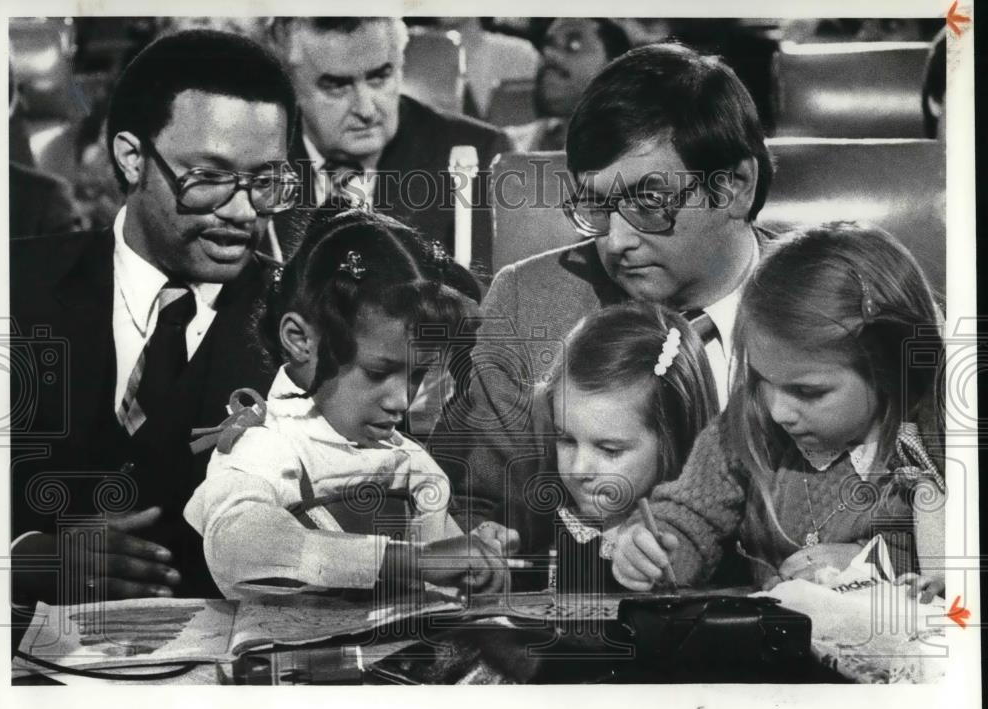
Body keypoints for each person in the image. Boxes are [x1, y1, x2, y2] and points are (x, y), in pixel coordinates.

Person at [431, 43, 774, 536]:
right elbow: (472, 505)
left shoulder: (840, 306)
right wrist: (481, 541)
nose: (616, 242)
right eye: (596, 207)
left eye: (649, 201)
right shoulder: (525, 305)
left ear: (735, 186)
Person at [9, 30, 300, 608]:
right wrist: (20, 557)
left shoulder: (308, 318)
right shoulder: (8, 287)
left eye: (265, 181)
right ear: (131, 157)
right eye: (209, 178)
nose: (243, 211)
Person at [184, 211, 513, 598]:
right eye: (378, 372)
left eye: (417, 374)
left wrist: (477, 565)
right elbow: (242, 545)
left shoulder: (409, 459)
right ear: (299, 339)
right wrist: (412, 559)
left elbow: (438, 587)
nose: (402, 401)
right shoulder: (264, 446)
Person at [610, 223, 946, 599]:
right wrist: (654, 551)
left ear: (890, 369)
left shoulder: (923, 451)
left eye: (807, 391)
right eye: (762, 379)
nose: (778, 410)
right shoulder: (746, 429)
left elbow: (954, 564)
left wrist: (875, 565)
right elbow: (691, 517)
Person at [480, 302, 717, 593]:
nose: (579, 469)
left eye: (609, 450)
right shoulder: (530, 521)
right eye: (566, 440)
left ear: (675, 439)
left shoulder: (693, 541)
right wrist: (487, 561)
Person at [269, 17, 513, 279]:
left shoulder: (478, 152)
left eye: (379, 77)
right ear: (289, 85)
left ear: (399, 67)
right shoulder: (259, 156)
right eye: (337, 86)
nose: (366, 110)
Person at [506, 18, 631, 152]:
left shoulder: (637, 152)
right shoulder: (507, 145)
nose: (549, 54)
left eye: (574, 45)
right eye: (548, 44)